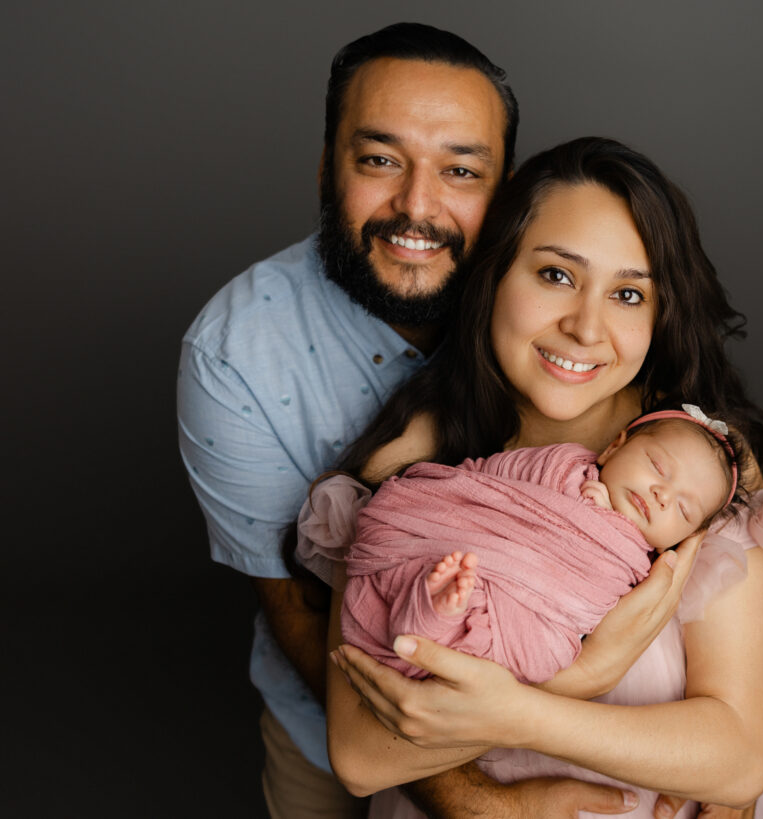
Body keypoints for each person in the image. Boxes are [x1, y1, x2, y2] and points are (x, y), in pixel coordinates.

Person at [309, 137, 763, 818]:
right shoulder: (416, 467)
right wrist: (586, 675)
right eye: (556, 275)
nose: (587, 327)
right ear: (497, 272)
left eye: (627, 293)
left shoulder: (696, 470)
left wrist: (526, 711)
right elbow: (357, 755)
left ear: (660, 314)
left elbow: (736, 756)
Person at [176, 22, 519, 818]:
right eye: (379, 160)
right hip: (329, 719)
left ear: (505, 189)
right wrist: (474, 802)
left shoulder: (554, 304)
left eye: (461, 170)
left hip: (554, 718)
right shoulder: (233, 354)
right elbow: (296, 608)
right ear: (326, 171)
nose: (416, 208)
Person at [300, 406, 763, 686]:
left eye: (682, 508)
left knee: (538, 651)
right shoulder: (560, 464)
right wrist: (572, 496)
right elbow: (482, 479)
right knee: (445, 573)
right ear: (614, 447)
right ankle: (433, 609)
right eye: (658, 467)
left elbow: (591, 612)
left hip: (542, 607)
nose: (661, 495)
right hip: (461, 541)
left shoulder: (641, 564)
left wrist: (595, 521)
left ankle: (432, 618)